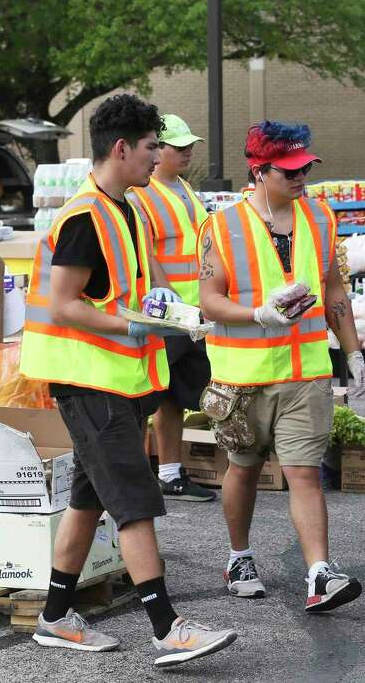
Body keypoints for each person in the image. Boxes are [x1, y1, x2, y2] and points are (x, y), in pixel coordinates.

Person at [20, 95, 236, 668]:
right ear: (122, 149)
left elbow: (150, 280)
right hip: (87, 380)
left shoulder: (130, 209)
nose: (157, 156)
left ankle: (55, 617)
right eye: (150, 147)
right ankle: (168, 629)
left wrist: (180, 313)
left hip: (117, 377)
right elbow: (65, 304)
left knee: (88, 500)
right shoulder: (84, 218)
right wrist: (134, 322)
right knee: (135, 501)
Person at [199, 121, 365, 612]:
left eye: (305, 168)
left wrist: (353, 350)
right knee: (243, 470)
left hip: (306, 372)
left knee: (304, 472)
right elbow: (209, 301)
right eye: (291, 171)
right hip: (242, 377)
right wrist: (257, 314)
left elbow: (334, 289)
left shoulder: (320, 218)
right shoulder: (222, 226)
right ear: (259, 171)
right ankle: (239, 556)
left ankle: (320, 573)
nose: (302, 178)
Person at [126, 113, 215, 503]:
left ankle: (168, 473)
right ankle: (144, 471)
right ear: (156, 150)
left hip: (191, 310)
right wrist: (171, 298)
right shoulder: (140, 194)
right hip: (168, 312)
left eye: (189, 145)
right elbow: (148, 251)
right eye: (178, 147)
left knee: (175, 394)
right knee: (151, 394)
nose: (188, 152)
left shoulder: (184, 187)